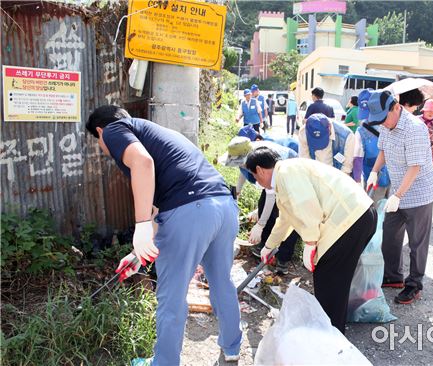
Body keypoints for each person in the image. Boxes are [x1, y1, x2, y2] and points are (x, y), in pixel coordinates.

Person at [86, 106, 242, 364]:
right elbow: (163, 207)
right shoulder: (157, 133)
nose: (104, 147)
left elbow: (143, 164)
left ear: (100, 131)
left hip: (191, 211)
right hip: (223, 207)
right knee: (221, 281)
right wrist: (139, 252)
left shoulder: (114, 130)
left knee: (171, 296)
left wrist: (141, 224)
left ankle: (165, 362)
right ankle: (232, 347)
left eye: (98, 141)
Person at [246, 148, 377, 333]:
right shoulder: (286, 175)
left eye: (254, 176)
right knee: (335, 281)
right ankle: (332, 331)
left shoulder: (287, 172)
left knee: (328, 280)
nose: (257, 182)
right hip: (358, 216)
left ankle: (329, 338)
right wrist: (269, 246)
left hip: (349, 220)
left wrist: (310, 242)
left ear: (259, 170)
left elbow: (306, 205)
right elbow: (285, 219)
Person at [366, 90, 433, 304]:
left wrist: (398, 195)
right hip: (398, 190)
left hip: (418, 194)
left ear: (397, 107)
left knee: (417, 243)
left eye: (384, 118)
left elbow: (415, 166)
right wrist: (374, 172)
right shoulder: (386, 124)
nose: (382, 124)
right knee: (389, 235)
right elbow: (383, 151)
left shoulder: (415, 129)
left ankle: (414, 285)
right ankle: (393, 276)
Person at [221, 137, 299, 275]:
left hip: (290, 178)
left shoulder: (262, 159)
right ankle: (266, 245)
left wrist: (260, 224)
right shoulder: (247, 155)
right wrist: (238, 191)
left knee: (287, 217)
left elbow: (271, 195)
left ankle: (283, 259)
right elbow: (243, 172)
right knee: (263, 205)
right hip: (272, 179)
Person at [353, 88, 390, 203]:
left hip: (374, 182)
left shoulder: (361, 131)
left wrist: (357, 180)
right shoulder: (392, 123)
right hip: (392, 179)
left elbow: (357, 158)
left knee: (374, 212)